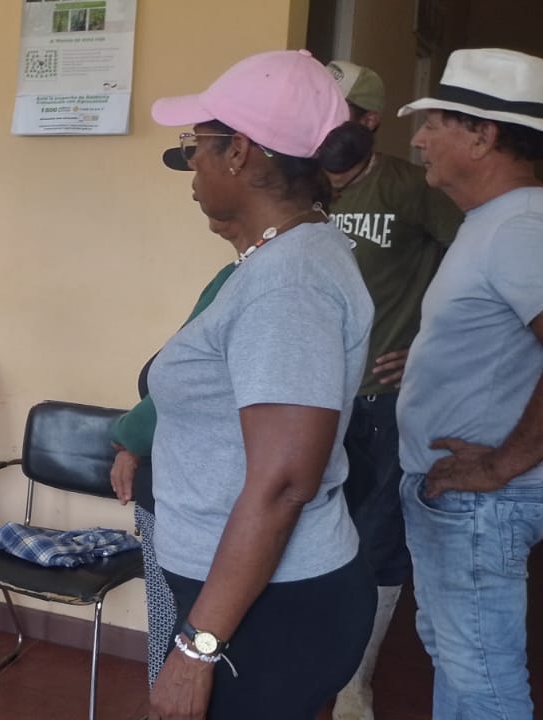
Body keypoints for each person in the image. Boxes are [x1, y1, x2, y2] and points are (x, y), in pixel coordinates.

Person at [146, 49, 378, 719]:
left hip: (267, 608)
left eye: (198, 144)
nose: (191, 161)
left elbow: (283, 482)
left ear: (240, 152)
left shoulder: (290, 283)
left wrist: (197, 649)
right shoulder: (285, 259)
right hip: (251, 595)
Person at [394, 48, 543, 719]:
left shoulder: (519, 226)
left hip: (485, 500)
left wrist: (504, 462)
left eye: (435, 124)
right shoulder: (493, 223)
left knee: (481, 678)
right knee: (460, 660)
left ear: (483, 135)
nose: (419, 140)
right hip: (466, 498)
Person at [322, 59, 465, 720]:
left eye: (338, 114)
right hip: (311, 393)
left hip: (380, 398)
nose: (322, 127)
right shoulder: (297, 187)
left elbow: (479, 272)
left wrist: (432, 347)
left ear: (370, 122)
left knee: (376, 538)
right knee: (307, 525)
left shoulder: (411, 189)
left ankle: (356, 681)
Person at [109, 218, 237, 688]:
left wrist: (128, 436)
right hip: (170, 495)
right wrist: (133, 446)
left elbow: (181, 385)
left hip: (209, 506)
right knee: (170, 629)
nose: (195, 188)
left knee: (192, 643)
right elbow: (171, 380)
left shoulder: (251, 283)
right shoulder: (235, 274)